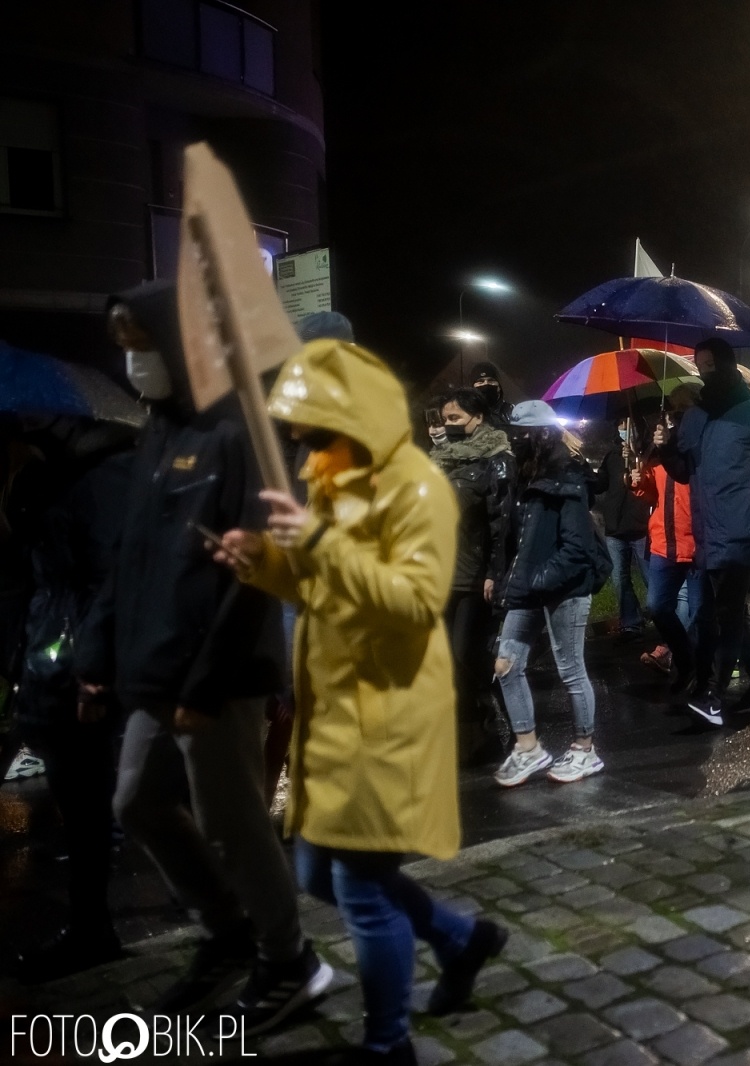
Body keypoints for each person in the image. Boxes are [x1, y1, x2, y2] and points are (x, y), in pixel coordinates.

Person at [216, 338, 505, 1063]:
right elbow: (322, 587)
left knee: (360, 887)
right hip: (336, 709)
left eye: (316, 435)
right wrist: (268, 565)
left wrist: (316, 540)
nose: (306, 453)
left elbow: (412, 603)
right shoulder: (335, 482)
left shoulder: (416, 487)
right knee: (320, 871)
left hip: (390, 707)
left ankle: (388, 1042)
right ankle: (461, 939)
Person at [76, 280, 327, 1030]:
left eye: (142, 344)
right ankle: (226, 932)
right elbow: (132, 557)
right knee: (138, 801)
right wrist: (97, 655)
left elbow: (253, 574)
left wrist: (208, 681)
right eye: (123, 346)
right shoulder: (159, 432)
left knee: (233, 819)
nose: (133, 363)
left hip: (219, 672)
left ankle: (291, 961)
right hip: (156, 669)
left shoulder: (240, 432)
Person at [5, 414, 132, 981]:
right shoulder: (49, 477)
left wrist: (92, 672)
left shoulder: (94, 480)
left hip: (71, 663)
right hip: (49, 655)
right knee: (87, 800)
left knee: (89, 803)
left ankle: (91, 929)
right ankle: (90, 926)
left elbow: (102, 578)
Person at [656, 339, 750, 726]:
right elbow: (682, 471)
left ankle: (714, 692)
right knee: (729, 612)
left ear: (729, 364)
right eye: (700, 365)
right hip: (706, 531)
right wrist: (664, 448)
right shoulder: (695, 417)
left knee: (725, 613)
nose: (705, 371)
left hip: (742, 526)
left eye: (712, 363)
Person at [491, 401, 612, 787]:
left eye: (518, 435)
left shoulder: (567, 479)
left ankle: (585, 749)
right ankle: (528, 747)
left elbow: (576, 549)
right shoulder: (523, 479)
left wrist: (539, 579)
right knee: (505, 665)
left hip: (566, 589)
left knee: (571, 670)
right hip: (529, 588)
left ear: (539, 436)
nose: (512, 443)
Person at [430, 388, 514, 762]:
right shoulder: (441, 461)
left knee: (468, 653)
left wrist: (495, 572)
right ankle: (472, 732)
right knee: (448, 658)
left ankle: (509, 721)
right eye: (444, 420)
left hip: (474, 574)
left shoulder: (496, 460)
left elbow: (502, 522)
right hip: (440, 572)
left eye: (455, 420)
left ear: (477, 418)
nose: (447, 428)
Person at [632, 390, 702, 690]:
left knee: (702, 614)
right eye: (673, 409)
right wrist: (637, 482)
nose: (676, 414)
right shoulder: (658, 449)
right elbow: (654, 493)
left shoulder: (698, 442)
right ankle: (686, 662)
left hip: (699, 541)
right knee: (658, 606)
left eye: (683, 408)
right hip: (665, 541)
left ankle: (702, 673)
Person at [592, 418, 652, 642]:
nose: (625, 429)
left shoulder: (648, 454)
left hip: (641, 528)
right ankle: (631, 624)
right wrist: (580, 466)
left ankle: (667, 618)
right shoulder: (613, 455)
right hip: (615, 529)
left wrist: (637, 456)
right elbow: (600, 484)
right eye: (620, 425)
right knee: (620, 580)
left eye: (629, 424)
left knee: (650, 579)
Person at [468, 361, 515, 428]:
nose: (486, 384)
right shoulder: (466, 412)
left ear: (499, 387)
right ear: (472, 387)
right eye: (480, 381)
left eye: (491, 380)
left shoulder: (512, 412)